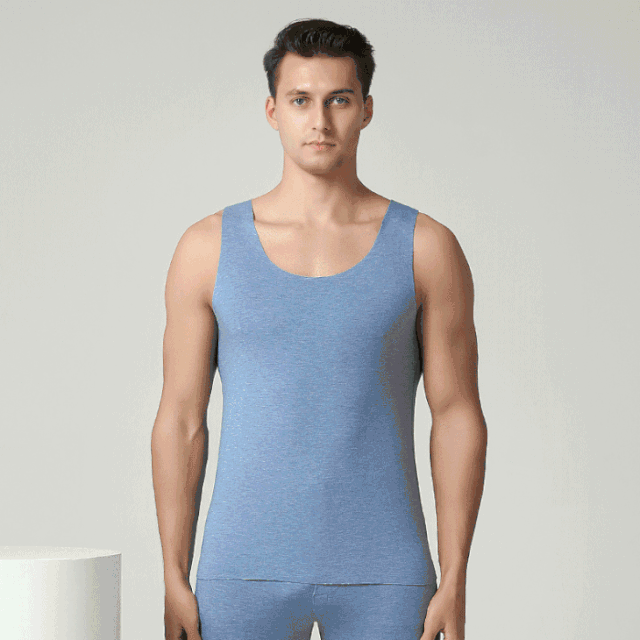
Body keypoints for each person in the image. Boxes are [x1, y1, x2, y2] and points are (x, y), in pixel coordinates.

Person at [151, 17, 487, 640]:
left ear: (366, 110)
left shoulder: (426, 248)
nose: (320, 121)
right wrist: (172, 571)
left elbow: (457, 413)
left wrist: (457, 574)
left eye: (339, 99)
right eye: (301, 100)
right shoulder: (207, 249)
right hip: (239, 572)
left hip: (387, 575)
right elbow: (180, 418)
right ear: (273, 111)